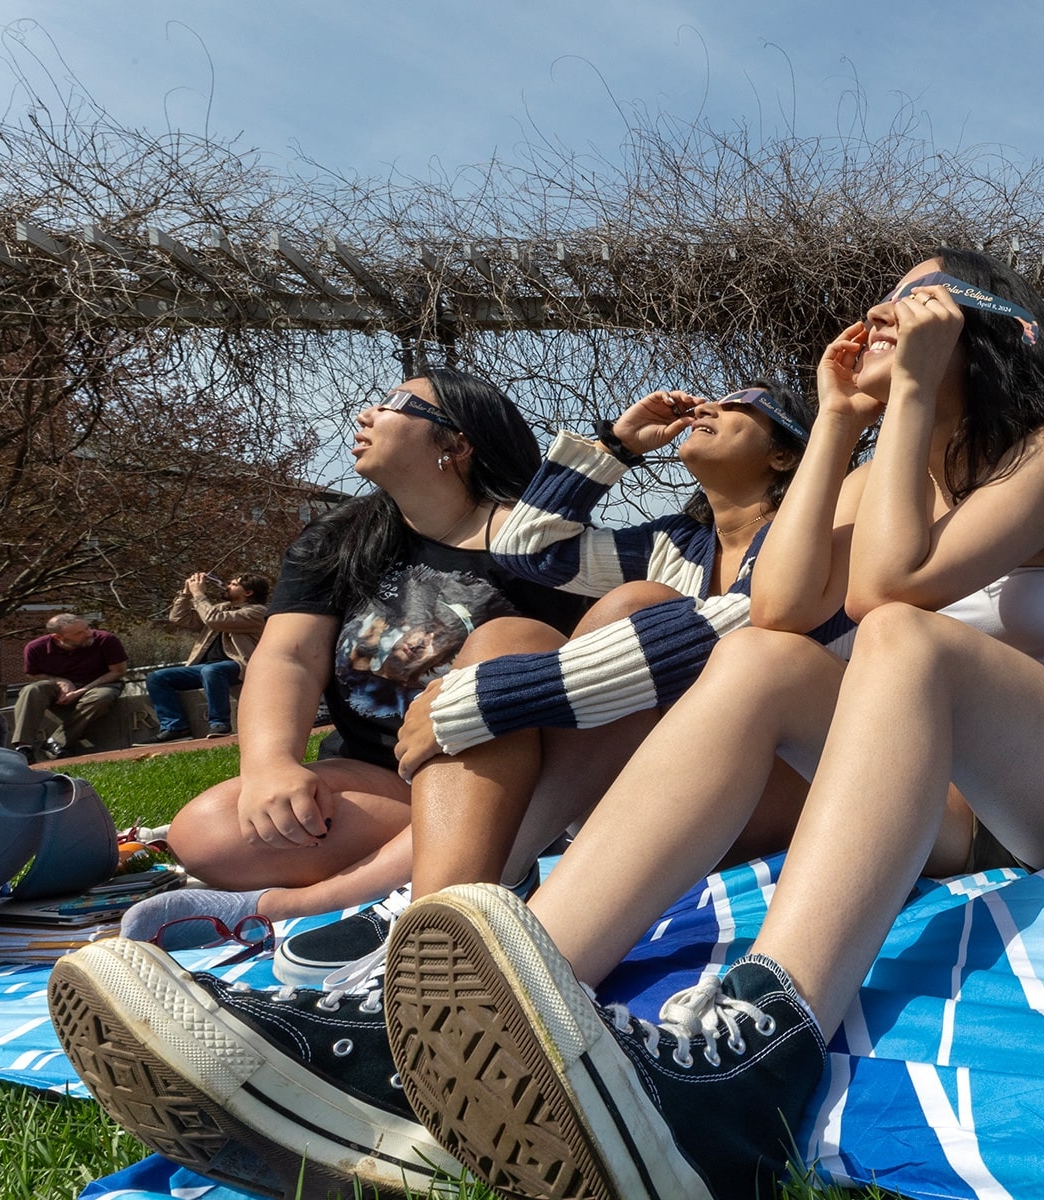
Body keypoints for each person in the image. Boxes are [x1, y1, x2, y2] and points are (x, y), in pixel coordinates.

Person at [361, 248, 1044, 1200]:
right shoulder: (879, 467)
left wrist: (916, 397)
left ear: (991, 326)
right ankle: (501, 1009)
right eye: (884, 300)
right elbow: (780, 610)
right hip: (952, 813)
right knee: (762, 660)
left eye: (916, 299)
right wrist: (844, 420)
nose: (886, 315)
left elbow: (892, 589)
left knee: (903, 638)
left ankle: (765, 1049)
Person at [51, 377, 849, 1200]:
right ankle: (433, 968)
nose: (710, 407)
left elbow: (760, 621)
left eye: (745, 406)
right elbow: (532, 548)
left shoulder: (827, 531)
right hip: (590, 775)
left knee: (606, 619)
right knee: (550, 623)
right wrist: (613, 444)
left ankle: (431, 977)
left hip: (754, 774)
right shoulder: (668, 543)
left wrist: (486, 701)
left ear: (791, 449)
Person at [143, 572, 271, 742]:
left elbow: (214, 620)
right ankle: (175, 727)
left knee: (212, 670)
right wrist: (186, 593)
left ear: (248, 592)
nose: (227, 586)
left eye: (233, 584)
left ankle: (220, 724)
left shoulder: (258, 612)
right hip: (205, 669)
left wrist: (199, 594)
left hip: (240, 665)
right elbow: (178, 618)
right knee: (157, 678)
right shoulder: (220, 608)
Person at [12, 614, 127, 761]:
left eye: (87, 628)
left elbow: (118, 671)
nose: (88, 634)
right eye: (79, 633)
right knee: (31, 690)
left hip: (100, 683)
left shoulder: (106, 640)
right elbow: (33, 674)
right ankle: (24, 748)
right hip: (57, 686)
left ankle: (56, 742)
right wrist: (60, 681)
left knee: (101, 698)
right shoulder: (35, 648)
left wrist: (81, 691)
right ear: (58, 637)